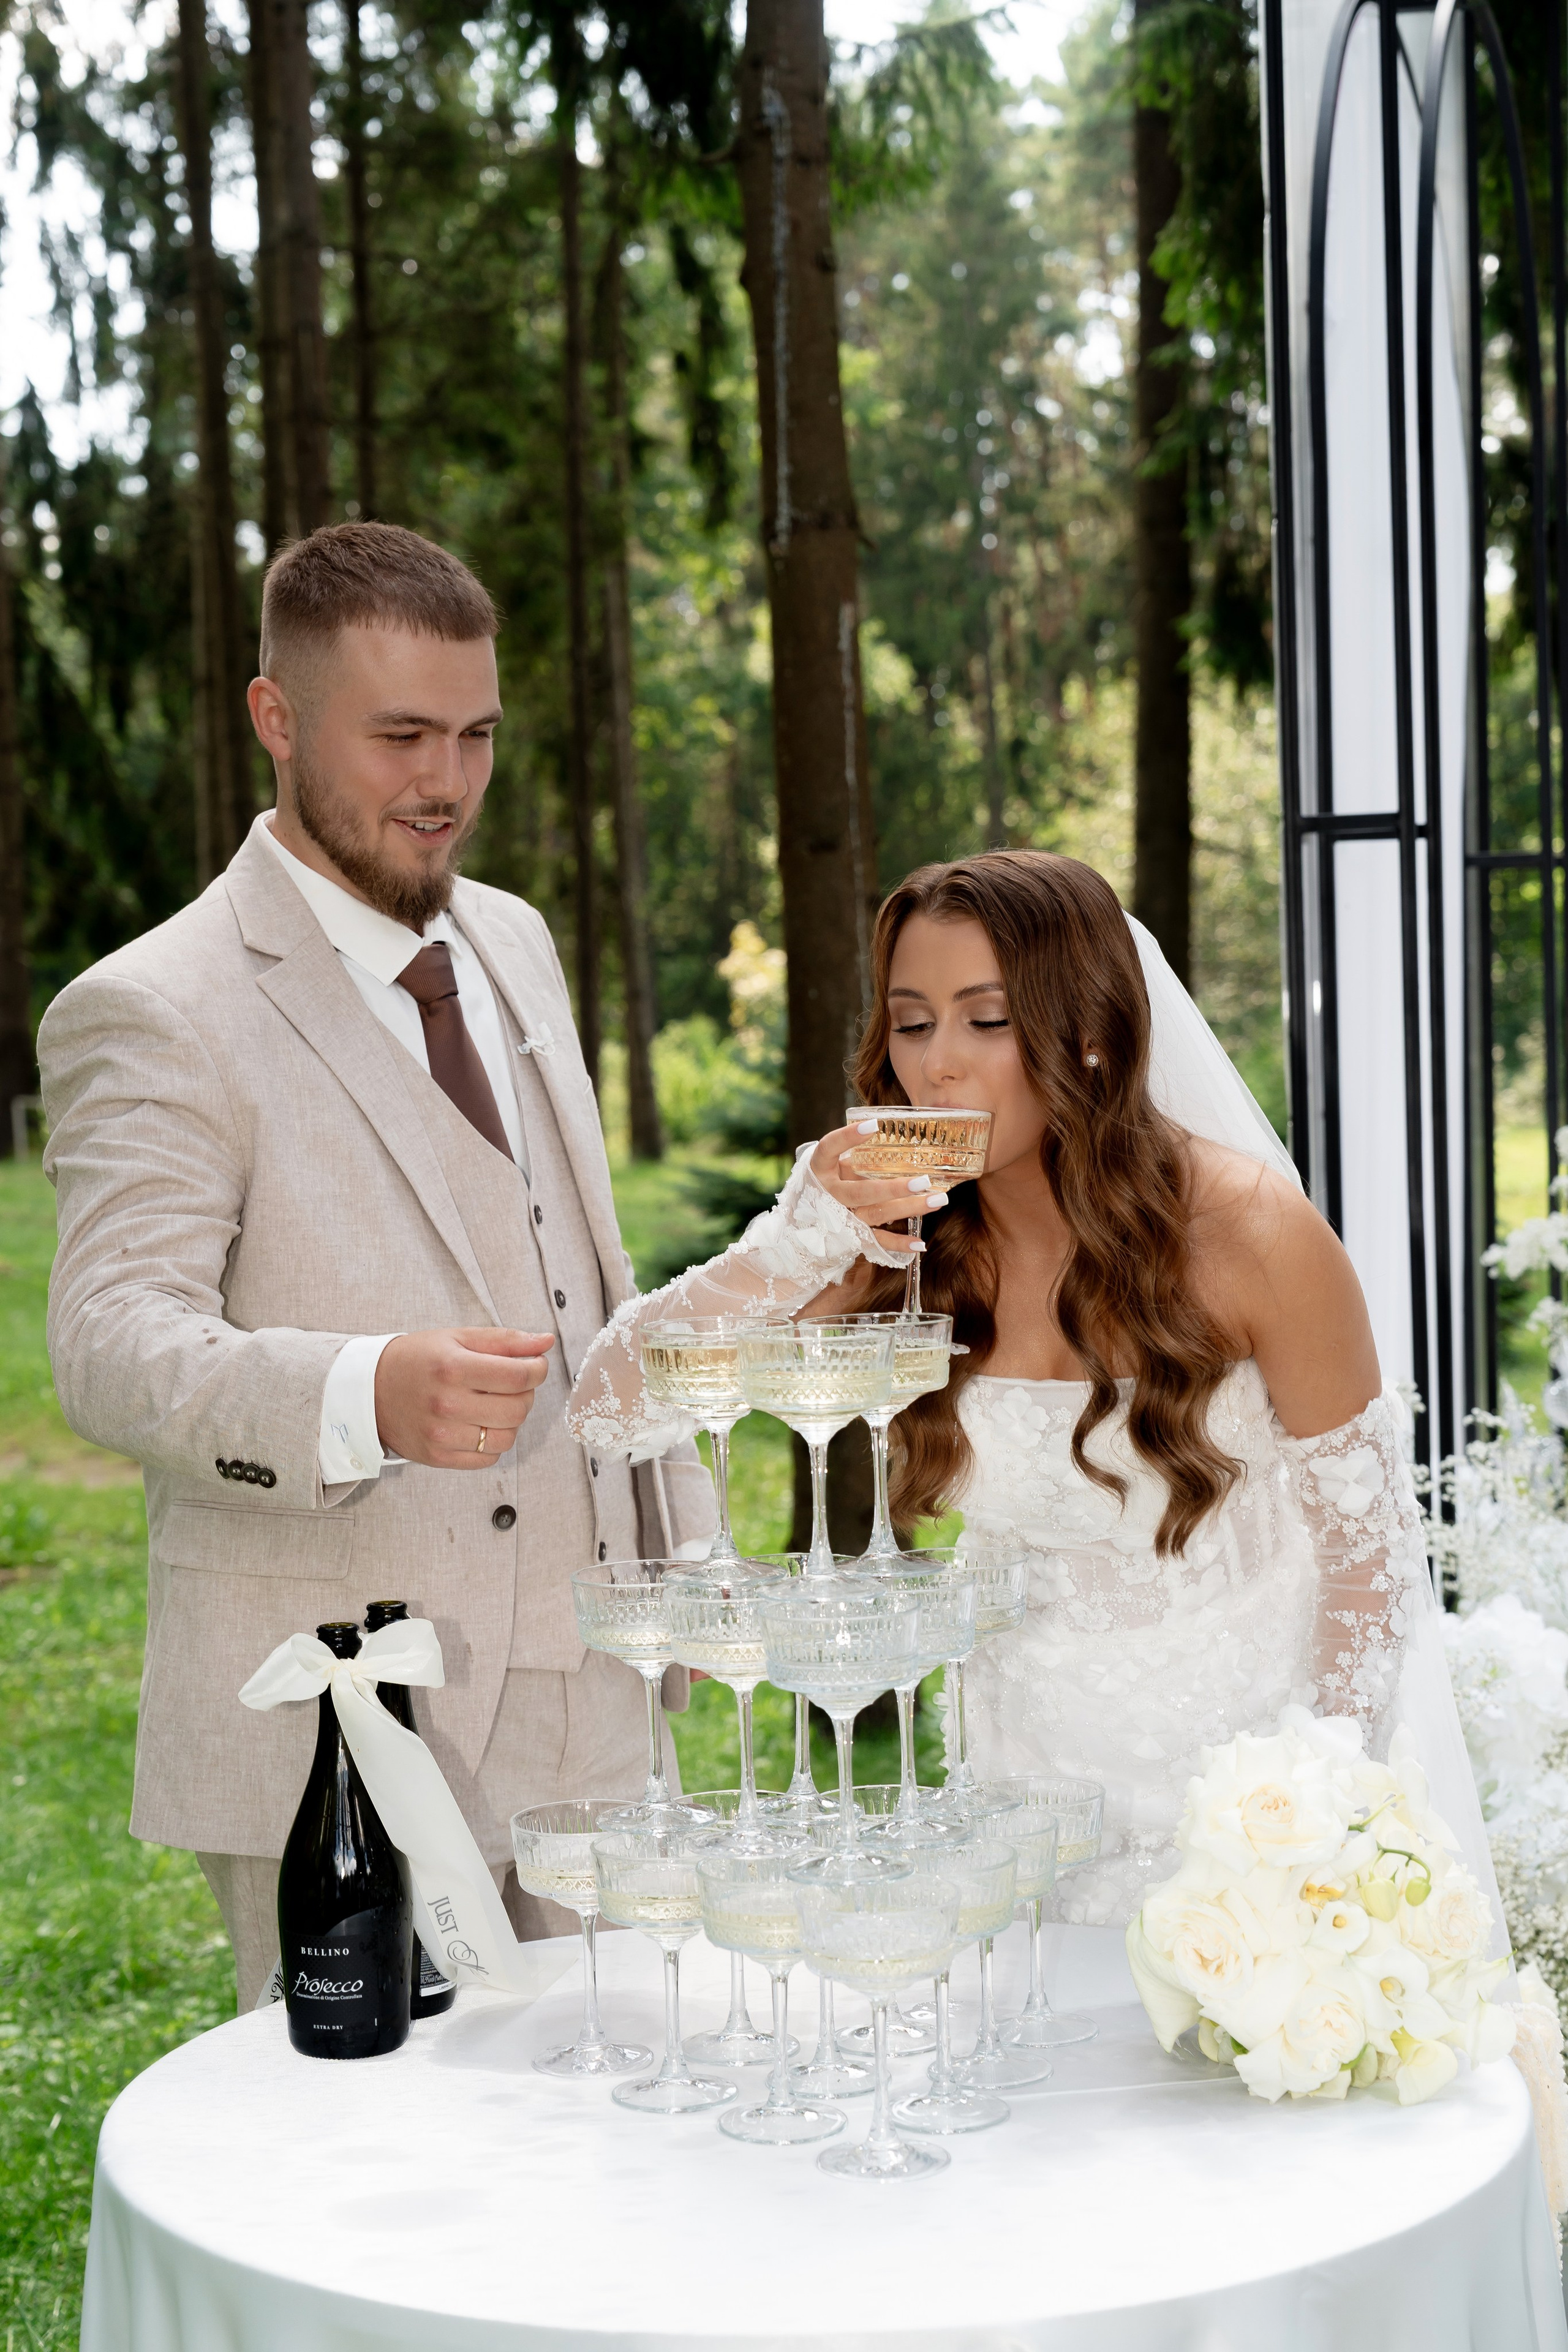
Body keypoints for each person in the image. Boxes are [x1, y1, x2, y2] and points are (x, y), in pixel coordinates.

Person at [39, 521, 712, 2010]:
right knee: (388, 2184)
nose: (447, 783)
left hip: (591, 1677)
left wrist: (681, 1563)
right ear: (276, 719)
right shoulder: (155, 1006)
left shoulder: (516, 942)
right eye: (400, 734)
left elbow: (573, 1275)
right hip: (347, 1719)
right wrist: (360, 1391)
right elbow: (105, 1337)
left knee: (636, 2121)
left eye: (475, 735)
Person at [570, 849, 1494, 1929]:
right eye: (912, 1025)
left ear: (1088, 1031)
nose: (939, 1069)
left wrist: (1313, 1824)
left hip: (1252, 1819)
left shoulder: (1255, 1236)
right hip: (1011, 1829)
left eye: (987, 1021)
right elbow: (612, 1408)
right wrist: (795, 1242)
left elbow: (1368, 1566)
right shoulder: (885, 1245)